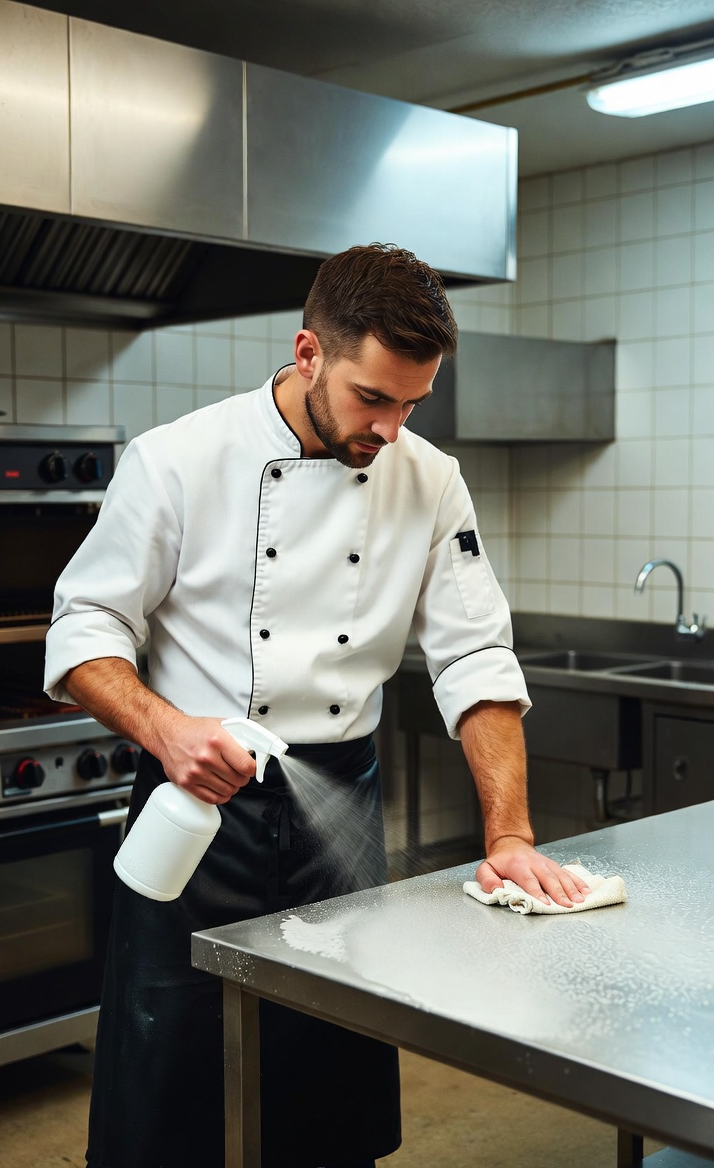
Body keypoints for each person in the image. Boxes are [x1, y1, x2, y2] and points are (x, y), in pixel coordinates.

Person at [44, 242, 589, 1168]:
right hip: (196, 806)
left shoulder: (429, 477)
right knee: (167, 1082)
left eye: (412, 403)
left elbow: (476, 657)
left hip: (340, 804)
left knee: (330, 1089)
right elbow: (83, 627)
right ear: (308, 353)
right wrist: (166, 729)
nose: (390, 426)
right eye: (371, 398)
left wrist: (510, 833)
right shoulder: (177, 461)